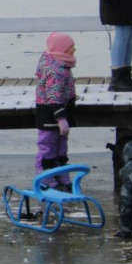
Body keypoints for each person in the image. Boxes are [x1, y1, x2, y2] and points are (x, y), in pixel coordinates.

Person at [35, 32, 77, 191]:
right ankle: (46, 177)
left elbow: (61, 91)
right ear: (61, 49)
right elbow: (53, 96)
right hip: (50, 115)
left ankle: (61, 174)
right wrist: (61, 118)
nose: (73, 50)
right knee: (47, 146)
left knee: (61, 147)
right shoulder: (56, 70)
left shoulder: (62, 66)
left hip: (60, 113)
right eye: (70, 48)